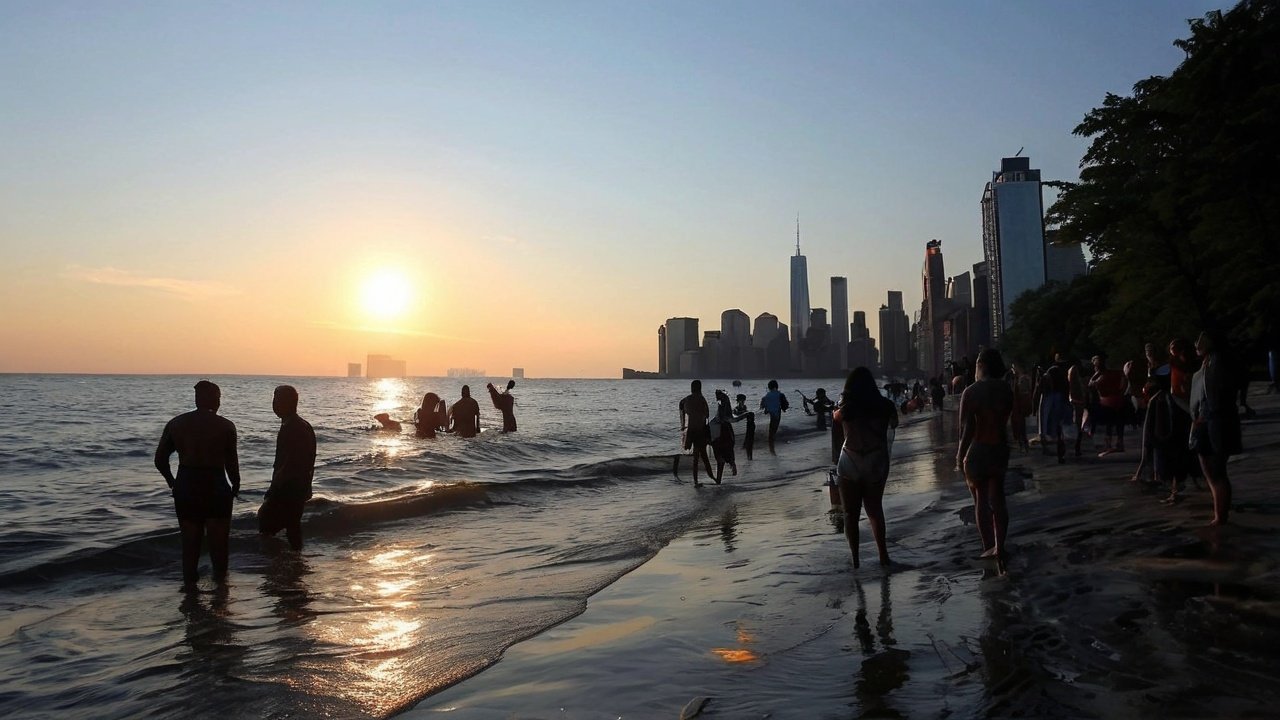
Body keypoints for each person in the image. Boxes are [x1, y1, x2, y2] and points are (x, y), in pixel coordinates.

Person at [154, 380, 241, 586]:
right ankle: (220, 594)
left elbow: (160, 460)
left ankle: (190, 596)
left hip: (186, 486)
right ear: (214, 400)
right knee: (219, 546)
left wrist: (172, 482)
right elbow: (231, 463)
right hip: (216, 487)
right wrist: (235, 484)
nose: (220, 402)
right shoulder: (226, 426)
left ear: (197, 399)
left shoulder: (176, 424)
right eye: (218, 398)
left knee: (190, 545)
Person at [833, 367, 899, 568]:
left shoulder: (846, 409)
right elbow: (893, 425)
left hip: (850, 460)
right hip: (875, 461)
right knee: (875, 511)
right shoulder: (886, 406)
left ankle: (855, 560)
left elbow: (836, 418)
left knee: (850, 514)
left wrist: (840, 404)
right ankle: (883, 556)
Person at [957, 348, 1014, 571]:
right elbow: (1009, 417)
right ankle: (1000, 545)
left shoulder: (971, 392)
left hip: (978, 450)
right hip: (999, 448)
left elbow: (967, 428)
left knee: (981, 499)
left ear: (980, 365)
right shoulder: (1006, 390)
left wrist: (959, 455)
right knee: (998, 499)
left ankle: (988, 545)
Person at [1190, 332, 1241, 526]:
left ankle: (1220, 517)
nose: (1197, 342)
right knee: (1211, 470)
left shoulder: (1218, 363)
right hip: (1209, 420)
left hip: (1216, 420)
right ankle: (1219, 514)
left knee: (1217, 471)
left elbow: (1218, 396)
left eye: (1201, 339)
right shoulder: (1209, 363)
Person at [258, 385, 316, 552]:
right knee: (292, 526)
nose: (274, 405)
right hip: (298, 486)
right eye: (274, 400)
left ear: (289, 403)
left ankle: (281, 563)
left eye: (277, 400)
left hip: (288, 487)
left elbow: (288, 462)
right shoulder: (302, 425)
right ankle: (293, 560)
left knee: (266, 524)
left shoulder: (293, 428)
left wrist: (273, 488)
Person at [1088, 353, 1128, 455]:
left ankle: (1109, 445)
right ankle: (1119, 443)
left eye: (1095, 365)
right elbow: (1124, 379)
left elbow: (1091, 384)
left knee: (1109, 423)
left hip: (1107, 402)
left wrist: (1096, 374)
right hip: (1118, 400)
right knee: (1119, 422)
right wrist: (1122, 392)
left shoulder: (1101, 376)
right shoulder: (1114, 373)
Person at [679, 380, 715, 486]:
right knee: (702, 455)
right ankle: (710, 477)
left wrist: (682, 423)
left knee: (698, 456)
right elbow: (707, 415)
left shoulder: (687, 399)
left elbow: (682, 406)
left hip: (691, 430)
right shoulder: (702, 399)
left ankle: (699, 480)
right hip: (701, 430)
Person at [708, 390, 743, 484]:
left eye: (717, 396)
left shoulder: (722, 406)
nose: (716, 398)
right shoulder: (725, 405)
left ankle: (719, 480)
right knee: (726, 455)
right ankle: (732, 466)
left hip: (721, 433)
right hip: (726, 432)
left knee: (720, 457)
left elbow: (721, 418)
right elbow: (728, 418)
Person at [759, 380, 789, 455]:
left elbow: (762, 405)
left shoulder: (767, 395)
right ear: (776, 386)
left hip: (770, 412)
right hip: (777, 413)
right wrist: (784, 409)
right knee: (774, 428)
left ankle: (771, 444)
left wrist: (765, 408)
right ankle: (771, 445)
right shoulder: (780, 394)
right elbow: (785, 404)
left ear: (769, 387)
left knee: (772, 427)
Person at [1009, 361, 1033, 452]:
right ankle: (1023, 444)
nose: (1013, 369)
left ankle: (1023, 445)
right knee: (1019, 426)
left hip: (1019, 405)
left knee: (1020, 426)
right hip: (1017, 405)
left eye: (1014, 367)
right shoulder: (1016, 378)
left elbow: (1024, 393)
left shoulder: (1022, 379)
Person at [734, 393, 756, 460]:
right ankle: (749, 456)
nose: (743, 401)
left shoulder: (744, 407)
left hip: (746, 426)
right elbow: (736, 416)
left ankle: (749, 456)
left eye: (743, 400)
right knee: (748, 441)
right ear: (739, 400)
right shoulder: (736, 408)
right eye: (742, 400)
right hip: (742, 427)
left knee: (749, 441)